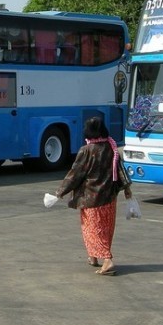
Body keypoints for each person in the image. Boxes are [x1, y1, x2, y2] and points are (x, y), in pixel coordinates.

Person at [55, 117, 132, 276]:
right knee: (105, 229)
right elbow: (120, 170)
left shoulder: (86, 150)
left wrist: (60, 193)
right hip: (109, 197)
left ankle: (107, 260)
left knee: (93, 230)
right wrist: (127, 189)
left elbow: (75, 175)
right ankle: (93, 257)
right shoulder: (111, 147)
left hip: (91, 198)